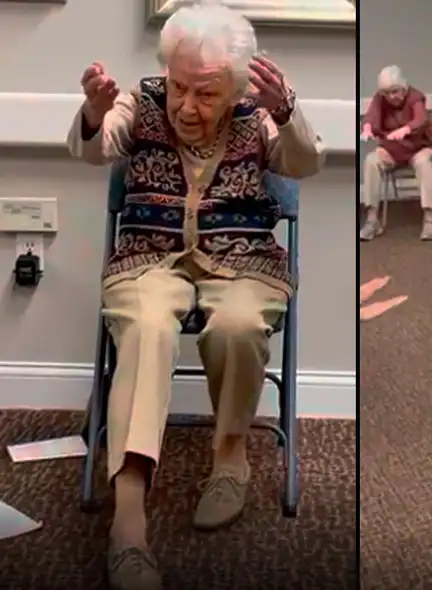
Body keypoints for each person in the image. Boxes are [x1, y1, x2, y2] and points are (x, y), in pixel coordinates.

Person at [66, 2, 324, 588]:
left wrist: (287, 112)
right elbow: (96, 145)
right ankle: (127, 522)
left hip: (243, 261)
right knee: (148, 326)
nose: (185, 106)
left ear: (235, 86)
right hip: (147, 258)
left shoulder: (259, 115)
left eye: (205, 94)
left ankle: (230, 457)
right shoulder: (142, 100)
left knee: (236, 325)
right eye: (180, 86)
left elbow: (305, 162)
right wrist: (92, 112)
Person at [359, 65, 432, 242]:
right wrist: (366, 127)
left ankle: (429, 217)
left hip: (419, 147)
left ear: (404, 88)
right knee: (372, 160)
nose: (391, 97)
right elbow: (371, 116)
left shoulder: (415, 97)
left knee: (422, 162)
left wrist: (406, 129)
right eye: (387, 93)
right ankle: (372, 219)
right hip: (393, 150)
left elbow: (421, 119)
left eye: (395, 92)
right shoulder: (380, 99)